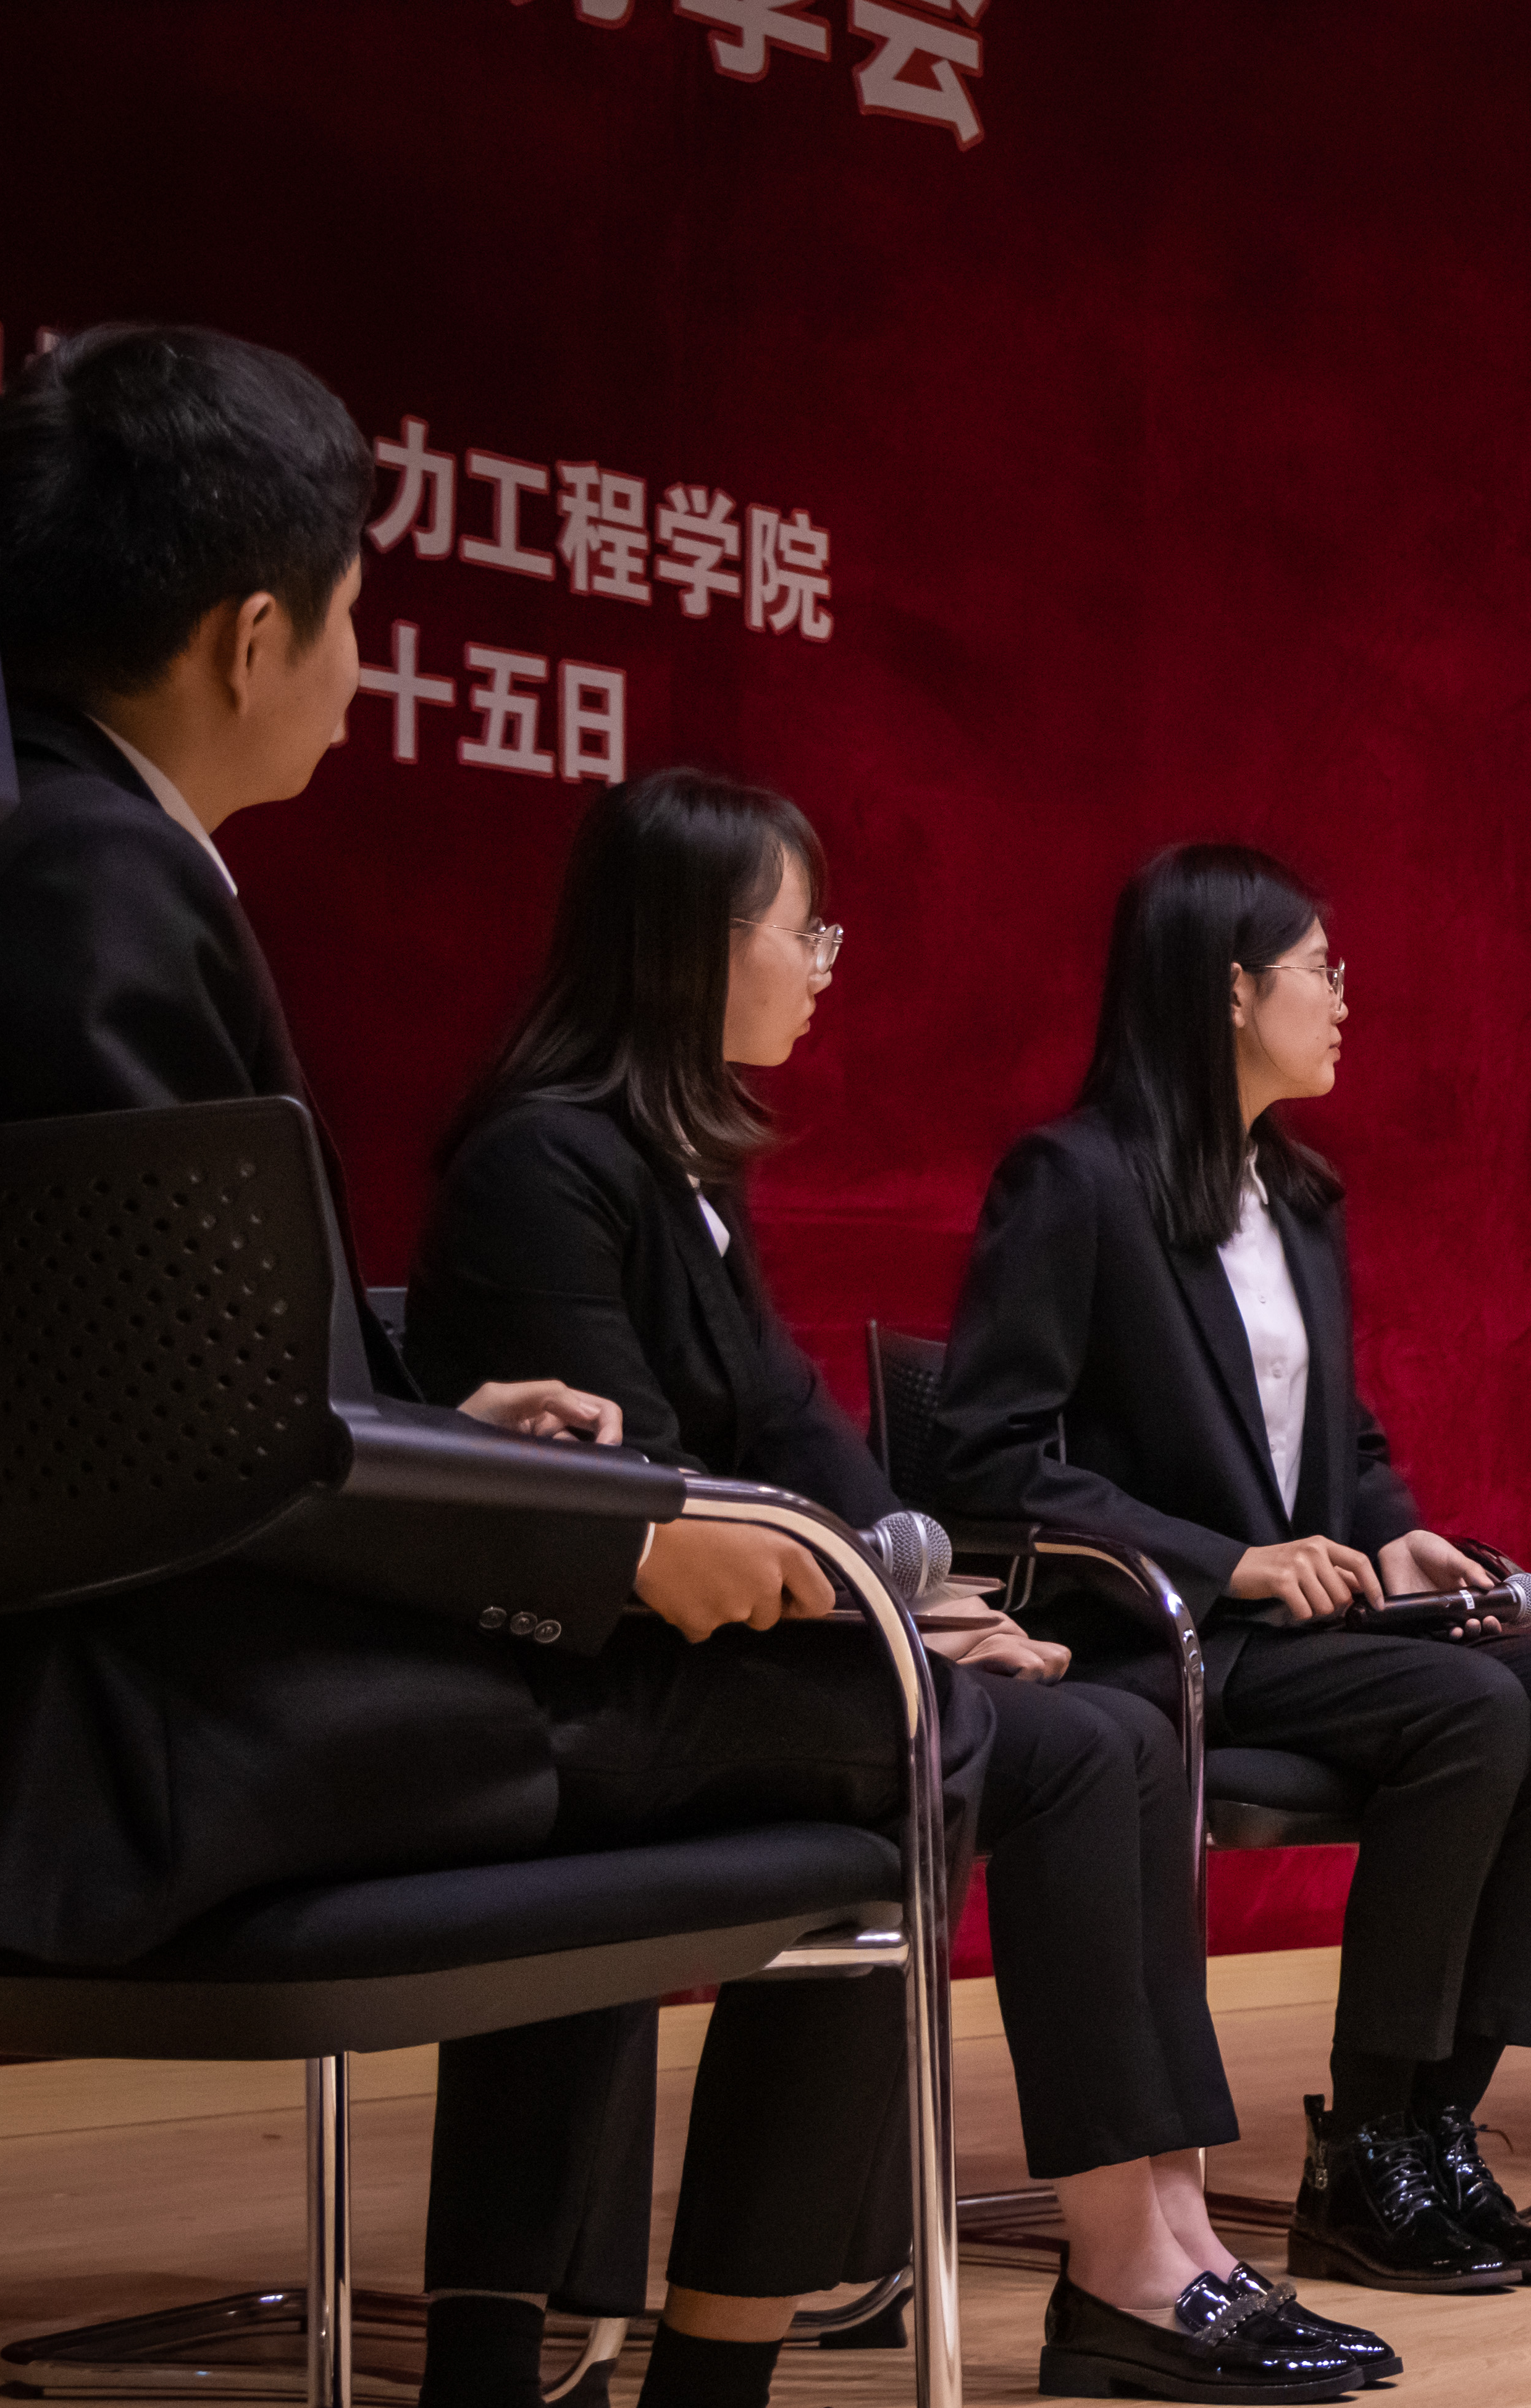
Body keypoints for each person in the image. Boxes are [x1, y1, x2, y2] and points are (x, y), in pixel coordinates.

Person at [0, 325, 1051, 2408]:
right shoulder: (101, 888)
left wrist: (455, 1440)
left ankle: (515, 2358)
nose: (357, 669)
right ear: (250, 637)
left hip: (37, 1711)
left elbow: (127, 1389)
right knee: (896, 1714)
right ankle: (703, 2378)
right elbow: (188, 1458)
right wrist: (610, 1545)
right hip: (132, 1758)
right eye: (354, 615)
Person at [403, 770, 1389, 2399]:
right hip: (577, 1683)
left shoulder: (683, 1165)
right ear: (693, 941)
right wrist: (887, 1617)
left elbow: (794, 1425)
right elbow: (642, 1495)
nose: (824, 963)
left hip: (714, 1664)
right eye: (805, 930)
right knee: (982, 1748)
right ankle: (1064, 2274)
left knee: (1109, 1728)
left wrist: (929, 1594)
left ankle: (1161, 2231)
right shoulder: (544, 1162)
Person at [928, 843, 1531, 2294]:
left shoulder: (1300, 1199)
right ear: (1231, 989)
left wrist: (1389, 1530)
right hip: (1155, 1637)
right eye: (1319, 970)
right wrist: (1232, 1563)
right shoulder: (1074, 1180)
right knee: (1471, 1709)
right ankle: (1364, 2141)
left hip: (1300, 1635)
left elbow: (1342, 1436)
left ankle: (1435, 2121)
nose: (1342, 998)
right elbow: (987, 1459)